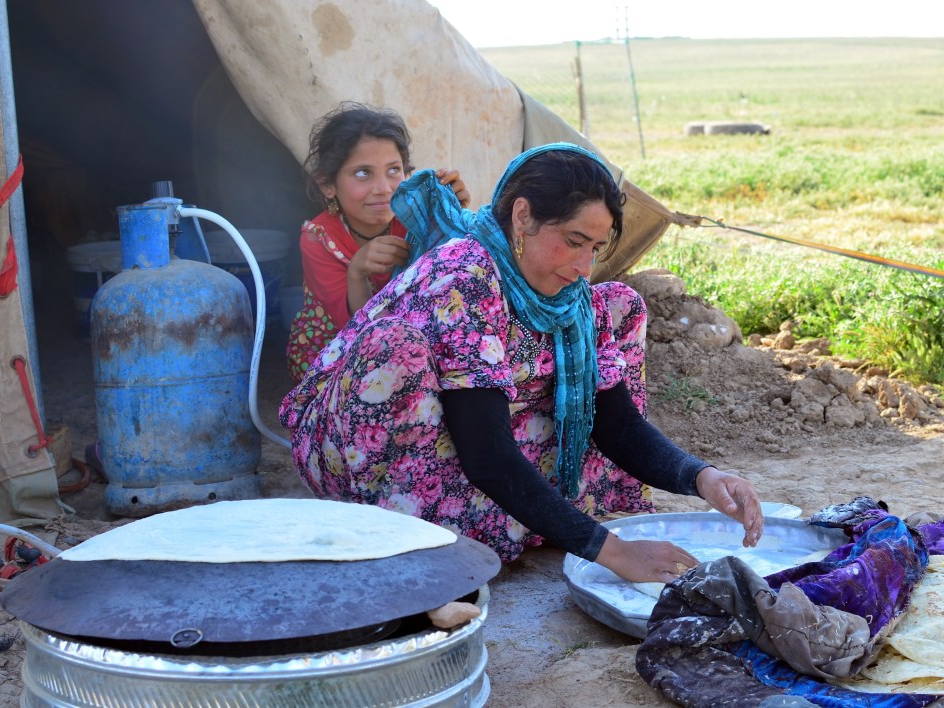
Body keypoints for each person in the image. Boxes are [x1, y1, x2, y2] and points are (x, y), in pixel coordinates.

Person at [280, 143, 764, 584]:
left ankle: (507, 517)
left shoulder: (570, 298)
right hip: (355, 447)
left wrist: (703, 477)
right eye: (573, 240)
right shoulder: (465, 276)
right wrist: (614, 553)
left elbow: (614, 423)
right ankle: (408, 524)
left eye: (594, 248)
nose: (584, 266)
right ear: (523, 216)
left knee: (617, 303)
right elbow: (487, 455)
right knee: (395, 347)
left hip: (471, 428)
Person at [285, 102, 471, 382]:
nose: (383, 189)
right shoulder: (318, 238)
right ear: (327, 185)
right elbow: (356, 335)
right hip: (338, 354)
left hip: (412, 343)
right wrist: (357, 273)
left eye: (393, 170)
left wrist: (453, 215)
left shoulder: (416, 220)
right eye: (363, 173)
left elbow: (454, 275)